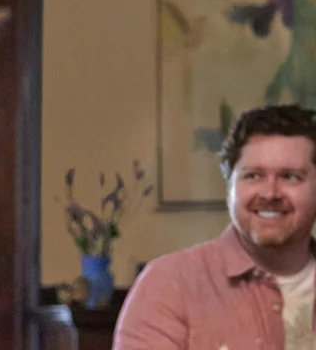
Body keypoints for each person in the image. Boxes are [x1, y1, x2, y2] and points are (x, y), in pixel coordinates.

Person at [115, 105, 316, 349]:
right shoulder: (169, 285)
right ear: (229, 186)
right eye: (253, 175)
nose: (270, 193)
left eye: (290, 176)